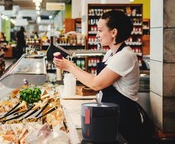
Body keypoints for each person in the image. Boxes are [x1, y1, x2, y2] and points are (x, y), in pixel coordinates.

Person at [54, 10, 143, 144]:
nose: (97, 35)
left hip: (124, 119)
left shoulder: (125, 55)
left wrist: (69, 67)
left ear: (114, 32)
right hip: (111, 115)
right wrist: (70, 65)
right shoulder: (110, 54)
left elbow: (96, 84)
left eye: (100, 30)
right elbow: (96, 79)